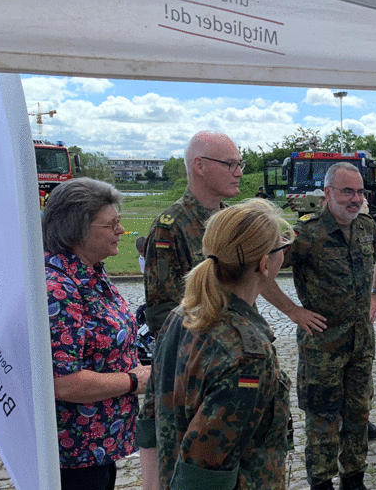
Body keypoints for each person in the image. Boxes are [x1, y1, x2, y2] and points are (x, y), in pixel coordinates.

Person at [262, 162, 376, 490]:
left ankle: (354, 478)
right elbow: (260, 271)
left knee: (359, 413)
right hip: (322, 344)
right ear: (328, 193)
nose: (355, 198)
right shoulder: (306, 233)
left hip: (361, 341)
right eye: (347, 191)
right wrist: (293, 311)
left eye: (360, 192)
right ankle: (321, 482)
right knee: (322, 419)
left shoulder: (365, 227)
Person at [152, 200, 292, 490]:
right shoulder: (247, 354)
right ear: (265, 263)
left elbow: (150, 420)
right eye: (281, 248)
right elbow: (204, 473)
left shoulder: (183, 314)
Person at [138, 130, 243, 489]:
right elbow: (164, 314)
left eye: (239, 163)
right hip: (195, 375)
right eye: (230, 163)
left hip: (234, 368)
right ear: (199, 166)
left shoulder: (233, 221)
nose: (239, 171)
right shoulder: (172, 227)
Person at [43, 177, 151, 490]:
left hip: (98, 447)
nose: (121, 230)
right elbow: (63, 382)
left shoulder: (90, 271)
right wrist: (135, 380)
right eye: (112, 224)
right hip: (74, 454)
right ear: (79, 228)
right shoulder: (58, 288)